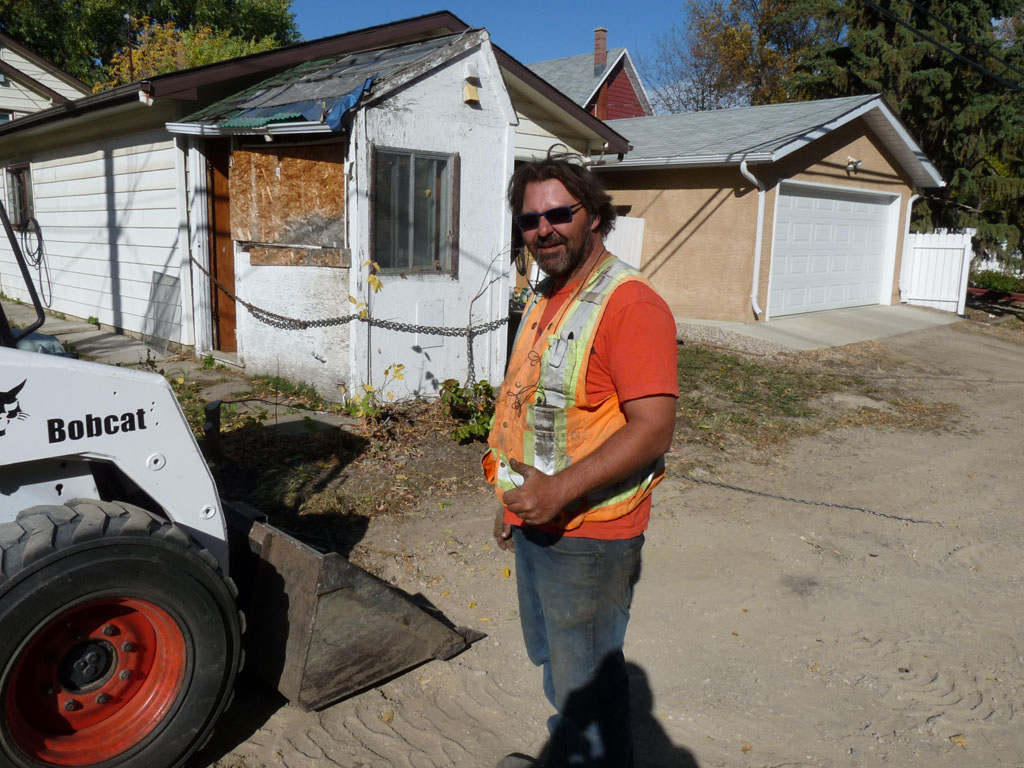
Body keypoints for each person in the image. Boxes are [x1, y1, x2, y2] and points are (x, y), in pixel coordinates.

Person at [483, 156, 679, 768]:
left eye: (558, 214)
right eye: (529, 220)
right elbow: (534, 405)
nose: (543, 230)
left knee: (585, 687)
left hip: (592, 537)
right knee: (561, 672)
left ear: (593, 216)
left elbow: (653, 429)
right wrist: (513, 501)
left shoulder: (630, 304)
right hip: (539, 519)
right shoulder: (545, 295)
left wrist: (558, 490)